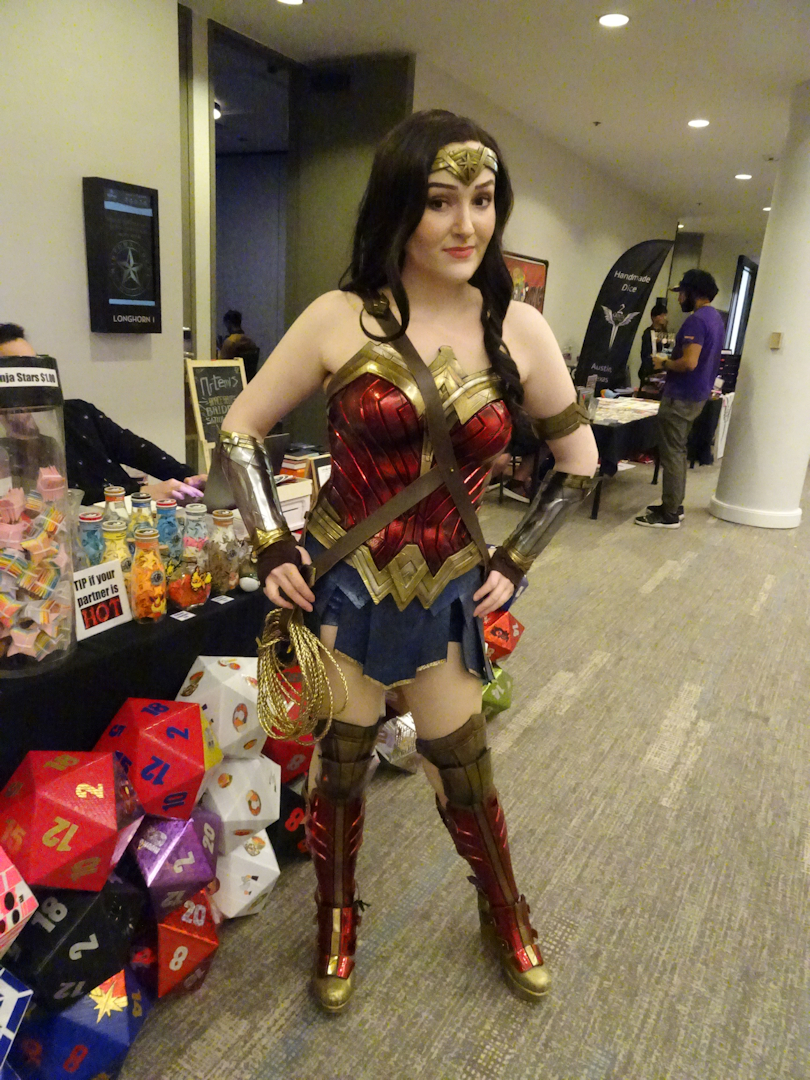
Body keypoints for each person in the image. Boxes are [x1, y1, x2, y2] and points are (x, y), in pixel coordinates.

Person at [219, 110, 598, 1012]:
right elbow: (238, 428)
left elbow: (579, 461)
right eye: (440, 201)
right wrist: (272, 542)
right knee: (340, 764)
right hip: (345, 584)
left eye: (483, 199)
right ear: (400, 206)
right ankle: (335, 919)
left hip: (448, 593)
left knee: (462, 766)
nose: (467, 224)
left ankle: (504, 911)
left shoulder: (519, 330)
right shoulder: (338, 316)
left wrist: (518, 556)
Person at [0, 324, 206, 504]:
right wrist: (142, 493)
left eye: (33, 365)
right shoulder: (6, 450)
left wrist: (190, 478)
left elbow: (137, 449)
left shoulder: (78, 413)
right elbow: (69, 500)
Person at [634, 269, 724, 528]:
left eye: (682, 293)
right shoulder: (715, 319)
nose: (678, 298)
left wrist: (663, 363)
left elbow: (689, 362)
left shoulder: (696, 321)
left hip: (681, 396)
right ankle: (675, 505)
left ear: (693, 292)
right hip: (697, 395)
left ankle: (669, 513)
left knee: (672, 453)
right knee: (678, 450)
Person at [219, 309, 260, 382]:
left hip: (232, 381)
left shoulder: (229, 342)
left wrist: (220, 350)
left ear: (228, 323)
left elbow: (221, 365)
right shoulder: (250, 341)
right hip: (249, 381)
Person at [638, 302, 669, 387]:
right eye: (661, 316)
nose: (664, 318)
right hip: (649, 369)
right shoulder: (648, 332)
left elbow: (667, 348)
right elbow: (645, 353)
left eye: (665, 315)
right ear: (654, 317)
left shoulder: (664, 332)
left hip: (662, 368)